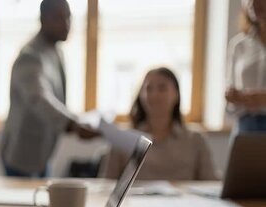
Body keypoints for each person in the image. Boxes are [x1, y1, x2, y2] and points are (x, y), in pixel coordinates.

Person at [0, 0, 99, 178]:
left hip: (43, 153)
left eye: (68, 17)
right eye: (59, 18)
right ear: (42, 20)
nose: (66, 24)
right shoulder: (30, 56)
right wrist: (73, 125)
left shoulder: (55, 51)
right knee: (25, 204)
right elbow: (39, 98)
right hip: (22, 154)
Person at [100, 67, 218, 181]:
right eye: (148, 89)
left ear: (176, 94)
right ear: (141, 95)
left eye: (162, 88)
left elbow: (211, 184)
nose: (154, 95)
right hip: (138, 201)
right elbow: (105, 186)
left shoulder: (195, 140)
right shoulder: (122, 139)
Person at [226, 0, 266, 132]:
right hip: (245, 125)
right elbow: (230, 94)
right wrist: (233, 97)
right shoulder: (238, 45)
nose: (253, 2)